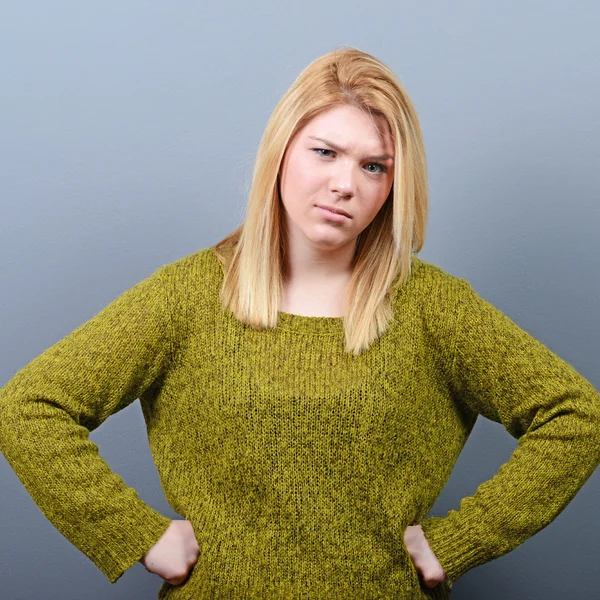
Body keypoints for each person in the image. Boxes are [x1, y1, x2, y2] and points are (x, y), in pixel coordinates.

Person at [0, 46, 599, 599]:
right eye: (325, 152)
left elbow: (577, 416)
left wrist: (459, 542)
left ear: (394, 185)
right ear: (281, 150)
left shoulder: (430, 307)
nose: (344, 184)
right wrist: (137, 535)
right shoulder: (187, 297)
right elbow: (29, 406)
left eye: (373, 167)